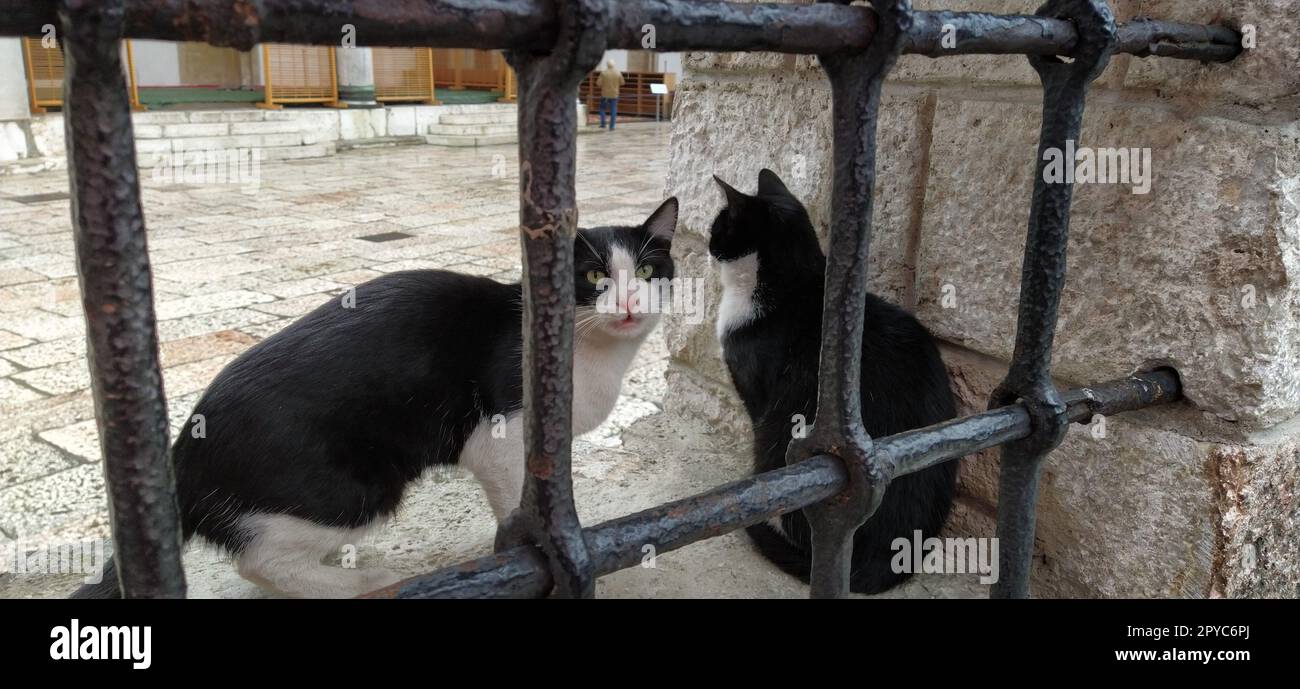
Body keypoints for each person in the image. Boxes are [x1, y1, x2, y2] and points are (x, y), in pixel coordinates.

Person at [598, 59, 625, 130]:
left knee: (602, 109)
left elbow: (598, 83)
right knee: (613, 110)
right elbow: (622, 83)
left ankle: (603, 124)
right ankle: (612, 126)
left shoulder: (603, 73)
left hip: (605, 95)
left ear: (607, 65)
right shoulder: (618, 73)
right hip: (614, 94)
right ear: (614, 65)